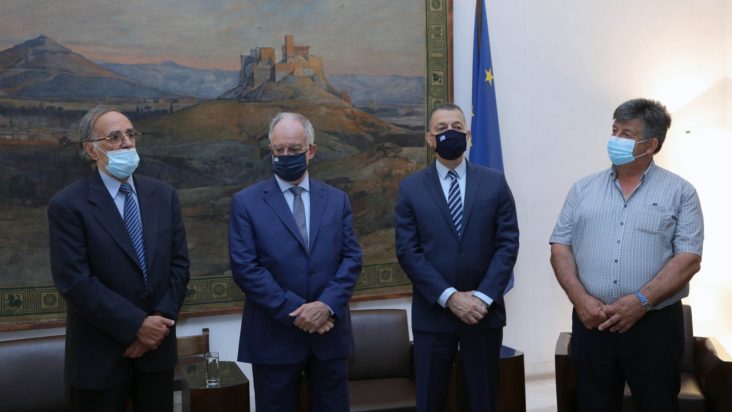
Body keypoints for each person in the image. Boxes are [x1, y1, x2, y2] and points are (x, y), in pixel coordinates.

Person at [549, 98, 704, 412]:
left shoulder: (681, 192)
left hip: (654, 327)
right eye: (614, 130)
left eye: (627, 134)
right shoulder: (582, 189)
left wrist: (641, 301)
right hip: (593, 322)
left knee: (657, 404)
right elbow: (560, 247)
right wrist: (580, 299)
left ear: (651, 145)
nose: (615, 139)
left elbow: (689, 258)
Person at [48, 106, 191, 412]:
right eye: (114, 137)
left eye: (130, 134)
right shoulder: (68, 205)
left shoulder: (163, 196)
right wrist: (136, 326)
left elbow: (179, 267)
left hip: (157, 354)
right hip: (99, 358)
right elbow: (75, 282)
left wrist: (156, 328)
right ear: (91, 150)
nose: (126, 142)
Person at [228, 112, 362, 411]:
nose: (286, 155)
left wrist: (325, 306)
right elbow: (246, 268)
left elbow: (351, 258)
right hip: (273, 337)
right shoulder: (246, 202)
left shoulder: (337, 199)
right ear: (271, 149)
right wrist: (299, 312)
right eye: (279, 149)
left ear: (310, 151)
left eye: (294, 149)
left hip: (329, 336)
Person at [395, 103, 519, 411]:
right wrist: (450, 297)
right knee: (431, 399)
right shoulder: (410, 188)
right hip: (433, 314)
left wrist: (482, 298)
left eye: (456, 127)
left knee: (483, 399)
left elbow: (507, 244)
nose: (449, 133)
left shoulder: (494, 182)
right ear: (429, 138)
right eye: (441, 129)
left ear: (468, 135)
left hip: (483, 314)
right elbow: (408, 251)